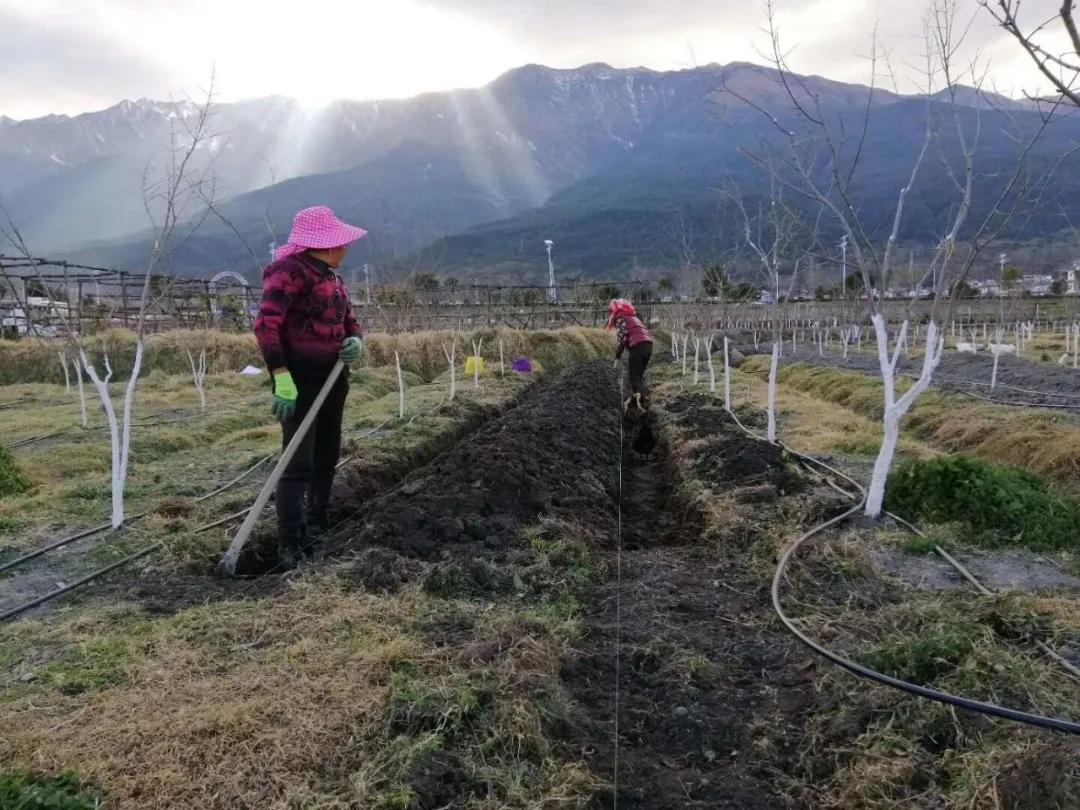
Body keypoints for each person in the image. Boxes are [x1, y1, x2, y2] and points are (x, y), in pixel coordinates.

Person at [254, 206, 368, 568]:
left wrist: (356, 341)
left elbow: (349, 322)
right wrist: (282, 377)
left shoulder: (333, 279)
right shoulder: (288, 273)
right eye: (342, 243)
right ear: (326, 244)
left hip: (333, 376)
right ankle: (289, 542)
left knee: (326, 454)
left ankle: (317, 526)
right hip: (299, 379)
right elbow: (266, 327)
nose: (346, 250)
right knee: (297, 461)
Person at [608, 298, 653, 411]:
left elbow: (622, 338)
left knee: (634, 377)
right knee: (638, 376)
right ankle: (640, 399)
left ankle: (640, 406)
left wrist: (617, 357)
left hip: (637, 346)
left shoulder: (620, 318)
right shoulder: (633, 316)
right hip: (648, 346)